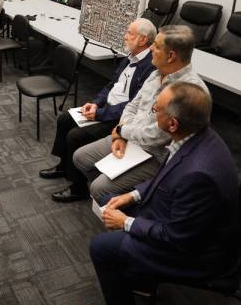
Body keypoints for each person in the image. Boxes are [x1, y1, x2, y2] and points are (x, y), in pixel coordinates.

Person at [82, 82, 239, 305]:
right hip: (180, 218)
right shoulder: (195, 135)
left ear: (173, 123)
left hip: (195, 252)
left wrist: (125, 223)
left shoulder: (198, 174)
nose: (152, 111)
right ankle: (140, 277)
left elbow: (177, 238)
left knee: (100, 247)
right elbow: (164, 177)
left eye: (156, 109)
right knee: (108, 197)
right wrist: (132, 196)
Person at [73, 25, 209, 201]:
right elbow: (132, 106)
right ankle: (112, 200)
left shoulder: (188, 91)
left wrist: (122, 132)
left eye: (157, 46)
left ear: (171, 56)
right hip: (130, 136)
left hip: (157, 155)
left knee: (99, 187)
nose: (151, 47)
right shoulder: (157, 74)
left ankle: (123, 208)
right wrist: (121, 135)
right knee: (80, 158)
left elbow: (157, 136)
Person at [43, 18, 157, 203]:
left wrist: (100, 114)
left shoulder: (150, 68)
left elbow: (133, 106)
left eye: (130, 33)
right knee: (64, 118)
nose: (125, 36)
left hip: (118, 119)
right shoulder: (130, 57)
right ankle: (64, 165)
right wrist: (96, 103)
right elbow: (112, 85)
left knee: (75, 136)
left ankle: (78, 187)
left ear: (143, 40)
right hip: (106, 109)